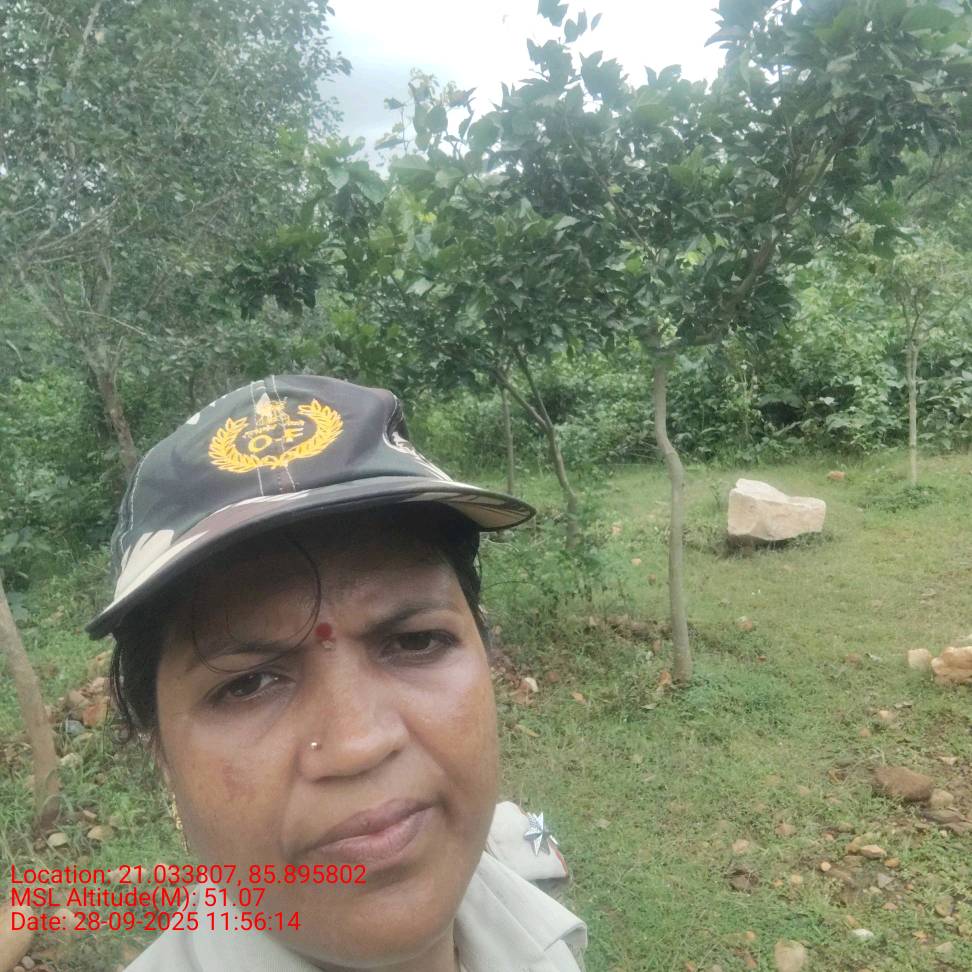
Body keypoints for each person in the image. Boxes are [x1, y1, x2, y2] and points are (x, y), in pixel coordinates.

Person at [87, 374, 588, 972]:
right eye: (247, 683)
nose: (358, 745)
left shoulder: (533, 905)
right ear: (162, 752)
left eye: (416, 641)